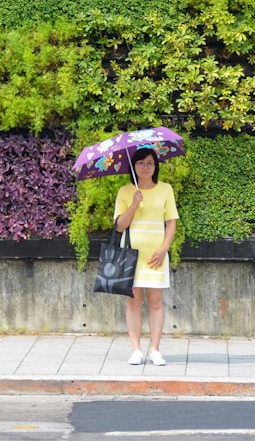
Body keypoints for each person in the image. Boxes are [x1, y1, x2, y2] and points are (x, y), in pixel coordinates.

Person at [113, 147, 178, 366]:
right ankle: (136, 350)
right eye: (140, 163)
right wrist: (133, 204)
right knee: (133, 302)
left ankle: (156, 350)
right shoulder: (125, 191)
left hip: (156, 256)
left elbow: (171, 222)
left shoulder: (165, 189)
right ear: (134, 166)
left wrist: (163, 249)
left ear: (155, 165)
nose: (145, 167)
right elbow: (119, 226)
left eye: (149, 163)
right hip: (131, 256)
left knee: (156, 302)